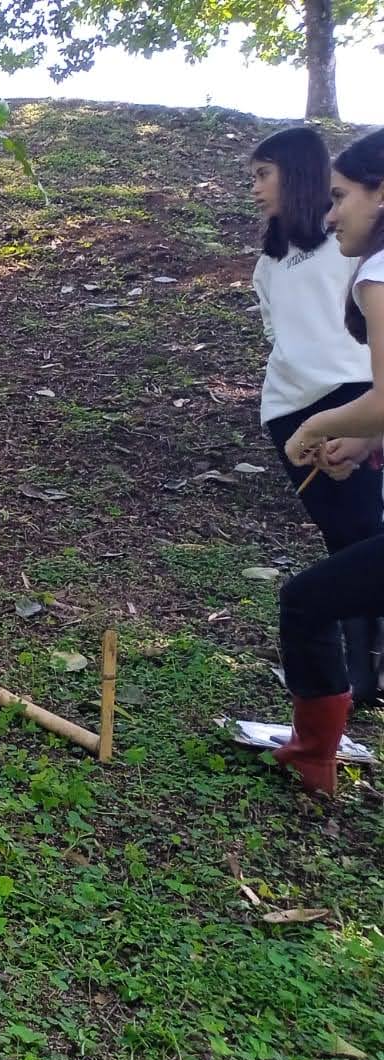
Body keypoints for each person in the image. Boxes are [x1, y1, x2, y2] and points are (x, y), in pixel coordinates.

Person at [249, 127, 382, 704]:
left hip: (354, 400)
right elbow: (277, 337)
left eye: (263, 174)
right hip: (293, 411)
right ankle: (357, 686)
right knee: (343, 547)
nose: (254, 188)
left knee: (361, 542)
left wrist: (352, 423)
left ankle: (366, 680)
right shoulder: (269, 264)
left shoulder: (359, 258)